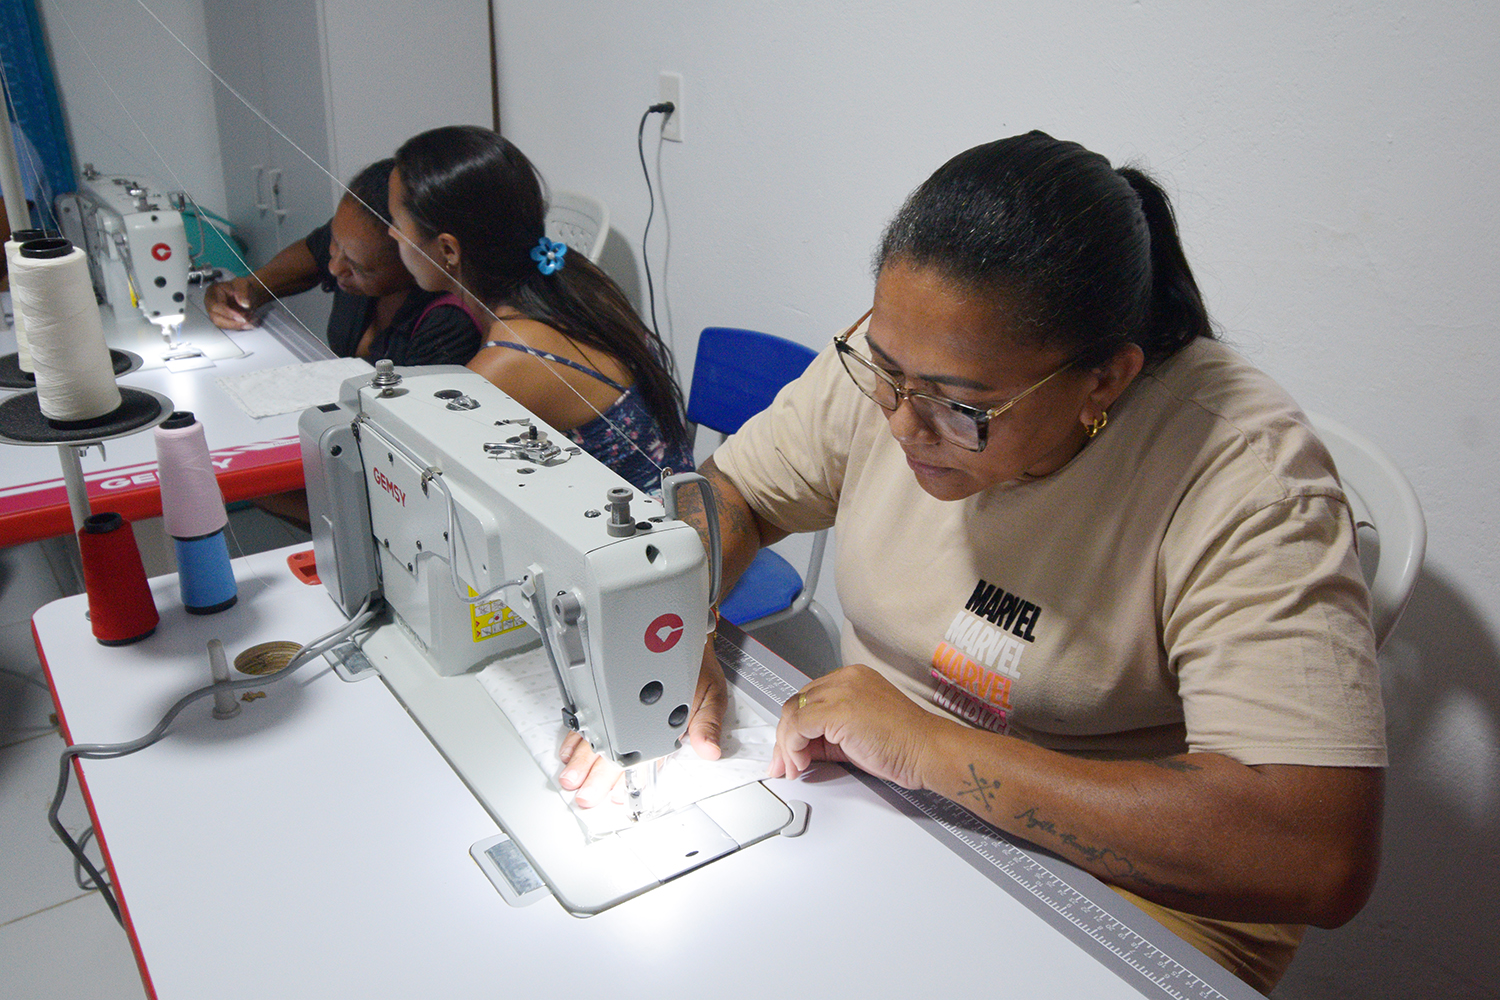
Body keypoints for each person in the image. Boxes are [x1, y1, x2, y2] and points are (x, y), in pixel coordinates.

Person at [565, 132, 1386, 992]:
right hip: (894, 819)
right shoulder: (909, 369)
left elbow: (1314, 852)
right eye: (884, 372)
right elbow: (735, 493)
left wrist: (931, 750)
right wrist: (674, 625)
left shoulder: (1244, 475)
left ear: (1104, 381)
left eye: (962, 408)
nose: (900, 425)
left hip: (1134, 908)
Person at [387, 126, 693, 495]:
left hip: (656, 542)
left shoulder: (507, 364)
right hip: (681, 510)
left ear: (449, 250)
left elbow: (422, 481)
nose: (391, 235)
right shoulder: (574, 274)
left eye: (397, 224)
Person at [203, 158, 481, 366]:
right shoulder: (356, 241)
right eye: (335, 244)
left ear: (413, 258)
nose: (334, 267)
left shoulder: (450, 323)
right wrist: (249, 289)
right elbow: (313, 254)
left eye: (359, 268)